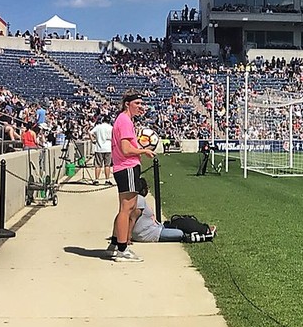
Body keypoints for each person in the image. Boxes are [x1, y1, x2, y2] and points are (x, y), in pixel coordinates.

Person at [109, 92, 158, 263]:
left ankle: (116, 243)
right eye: (137, 103)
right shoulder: (125, 121)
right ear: (127, 104)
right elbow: (125, 149)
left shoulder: (123, 120)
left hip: (123, 167)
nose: (140, 106)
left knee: (125, 207)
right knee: (127, 208)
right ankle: (122, 249)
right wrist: (143, 150)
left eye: (141, 103)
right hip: (127, 167)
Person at [111, 177, 216, 244]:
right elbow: (132, 219)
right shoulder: (140, 200)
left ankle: (203, 229)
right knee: (180, 233)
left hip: (155, 228)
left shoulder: (135, 199)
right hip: (149, 233)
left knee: (179, 222)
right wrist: (128, 238)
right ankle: (205, 232)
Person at [90, 116, 113, 185]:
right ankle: (107, 180)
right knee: (107, 165)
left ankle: (96, 180)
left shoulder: (98, 127)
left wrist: (93, 140)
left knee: (98, 165)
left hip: (99, 147)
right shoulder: (111, 128)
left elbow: (90, 133)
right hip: (108, 147)